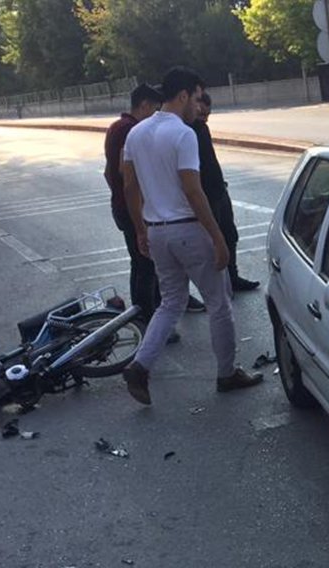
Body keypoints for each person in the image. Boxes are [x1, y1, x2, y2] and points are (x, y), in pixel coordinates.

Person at [120, 67, 263, 405]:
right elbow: (193, 190)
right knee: (219, 302)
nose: (199, 107)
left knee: (170, 303)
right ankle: (227, 373)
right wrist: (217, 237)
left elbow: (129, 185)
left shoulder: (136, 134)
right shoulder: (183, 135)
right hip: (188, 228)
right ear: (183, 95)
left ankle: (140, 366)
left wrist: (141, 228)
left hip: (157, 232)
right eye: (197, 99)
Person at [103, 85, 202, 332]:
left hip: (123, 206)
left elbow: (109, 173)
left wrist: (119, 197)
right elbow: (124, 173)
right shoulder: (131, 130)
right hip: (136, 209)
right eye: (155, 109)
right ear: (145, 105)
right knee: (146, 266)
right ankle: (146, 320)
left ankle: (145, 316)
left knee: (141, 264)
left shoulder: (117, 127)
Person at [191, 92, 259, 292]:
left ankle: (233, 276)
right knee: (211, 242)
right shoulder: (185, 132)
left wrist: (220, 185)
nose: (205, 118)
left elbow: (210, 162)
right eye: (202, 114)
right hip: (204, 196)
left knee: (230, 234)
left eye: (208, 115)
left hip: (219, 190)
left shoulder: (202, 129)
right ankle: (217, 285)